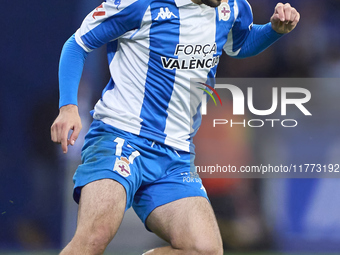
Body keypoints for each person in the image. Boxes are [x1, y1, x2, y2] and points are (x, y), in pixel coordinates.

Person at [51, 0, 300, 253]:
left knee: (204, 250)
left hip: (175, 156)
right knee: (94, 237)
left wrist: (273, 31)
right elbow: (78, 44)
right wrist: (68, 107)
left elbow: (240, 43)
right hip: (120, 137)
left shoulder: (233, 7)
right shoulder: (140, 4)